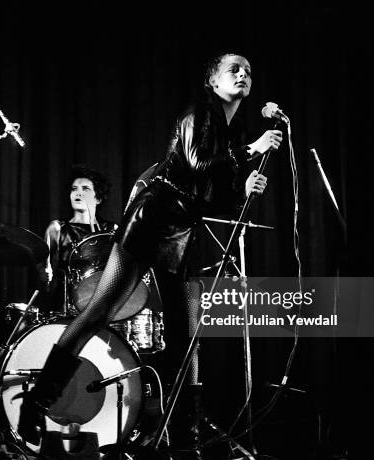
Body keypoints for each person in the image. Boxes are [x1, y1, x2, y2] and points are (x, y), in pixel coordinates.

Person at [19, 53, 283, 458]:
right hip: (153, 217)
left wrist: (244, 189)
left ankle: (185, 441)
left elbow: (217, 195)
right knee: (98, 311)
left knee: (187, 337)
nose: (244, 74)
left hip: (185, 230)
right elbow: (197, 165)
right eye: (235, 68)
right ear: (213, 80)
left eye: (249, 70)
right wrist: (251, 150)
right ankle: (36, 405)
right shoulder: (200, 113)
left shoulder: (235, 130)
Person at [40, 165, 116, 314]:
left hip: (101, 306)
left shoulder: (112, 229)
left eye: (85, 189)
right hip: (64, 307)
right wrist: (44, 273)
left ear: (98, 198)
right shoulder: (57, 228)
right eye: (74, 189)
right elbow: (44, 269)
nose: (78, 193)